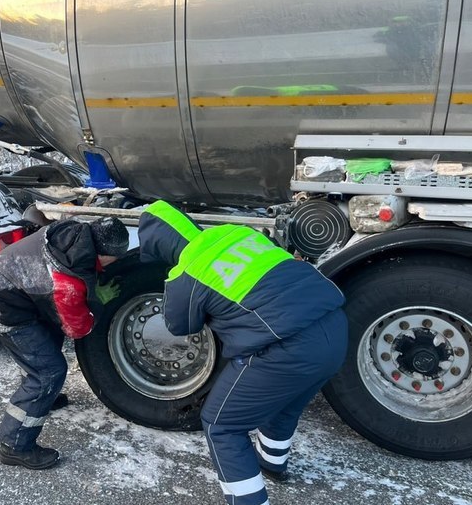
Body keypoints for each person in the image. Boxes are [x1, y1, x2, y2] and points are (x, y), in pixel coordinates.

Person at [138, 201, 347, 505]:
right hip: (334, 328)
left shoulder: (187, 271)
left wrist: (174, 282)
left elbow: (178, 325)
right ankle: (273, 464)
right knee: (286, 403)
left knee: (221, 425)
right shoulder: (238, 233)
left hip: (287, 347)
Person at [0, 216, 128, 470]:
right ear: (103, 254)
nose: (116, 263)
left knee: (47, 344)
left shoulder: (73, 235)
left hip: (11, 290)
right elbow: (78, 329)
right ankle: (15, 445)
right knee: (49, 371)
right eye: (115, 258)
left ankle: (43, 397)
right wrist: (97, 300)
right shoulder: (67, 283)